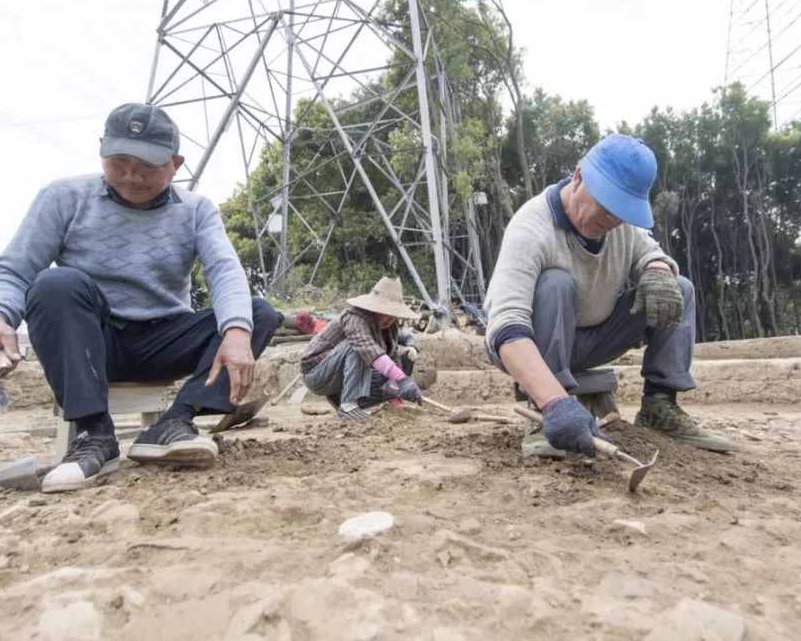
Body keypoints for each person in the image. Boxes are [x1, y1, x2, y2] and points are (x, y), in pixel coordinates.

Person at [0, 102, 282, 492]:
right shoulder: (63, 197)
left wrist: (237, 331)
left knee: (257, 312)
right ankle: (94, 435)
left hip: (163, 339)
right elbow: (13, 269)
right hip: (92, 341)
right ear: (102, 149)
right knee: (55, 284)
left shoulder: (196, 211)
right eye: (119, 161)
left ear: (176, 164)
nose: (132, 176)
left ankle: (175, 422)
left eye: (148, 166)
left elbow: (224, 270)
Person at [484, 133, 734, 458]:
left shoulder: (620, 226)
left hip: (595, 339)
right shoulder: (531, 228)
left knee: (677, 288)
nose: (612, 220)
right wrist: (555, 403)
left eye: (622, 212)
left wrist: (657, 270)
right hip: (529, 345)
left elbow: (650, 252)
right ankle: (543, 411)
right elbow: (506, 328)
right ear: (578, 177)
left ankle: (659, 406)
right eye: (607, 205)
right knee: (556, 283)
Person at [300, 277, 422, 422]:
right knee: (358, 347)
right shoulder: (354, 317)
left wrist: (400, 385)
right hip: (318, 374)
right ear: (376, 308)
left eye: (394, 314)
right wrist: (401, 379)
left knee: (393, 382)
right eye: (388, 312)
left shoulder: (390, 325)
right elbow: (366, 348)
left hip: (342, 377)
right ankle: (348, 405)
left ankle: (346, 401)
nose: (391, 318)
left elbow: (393, 355)